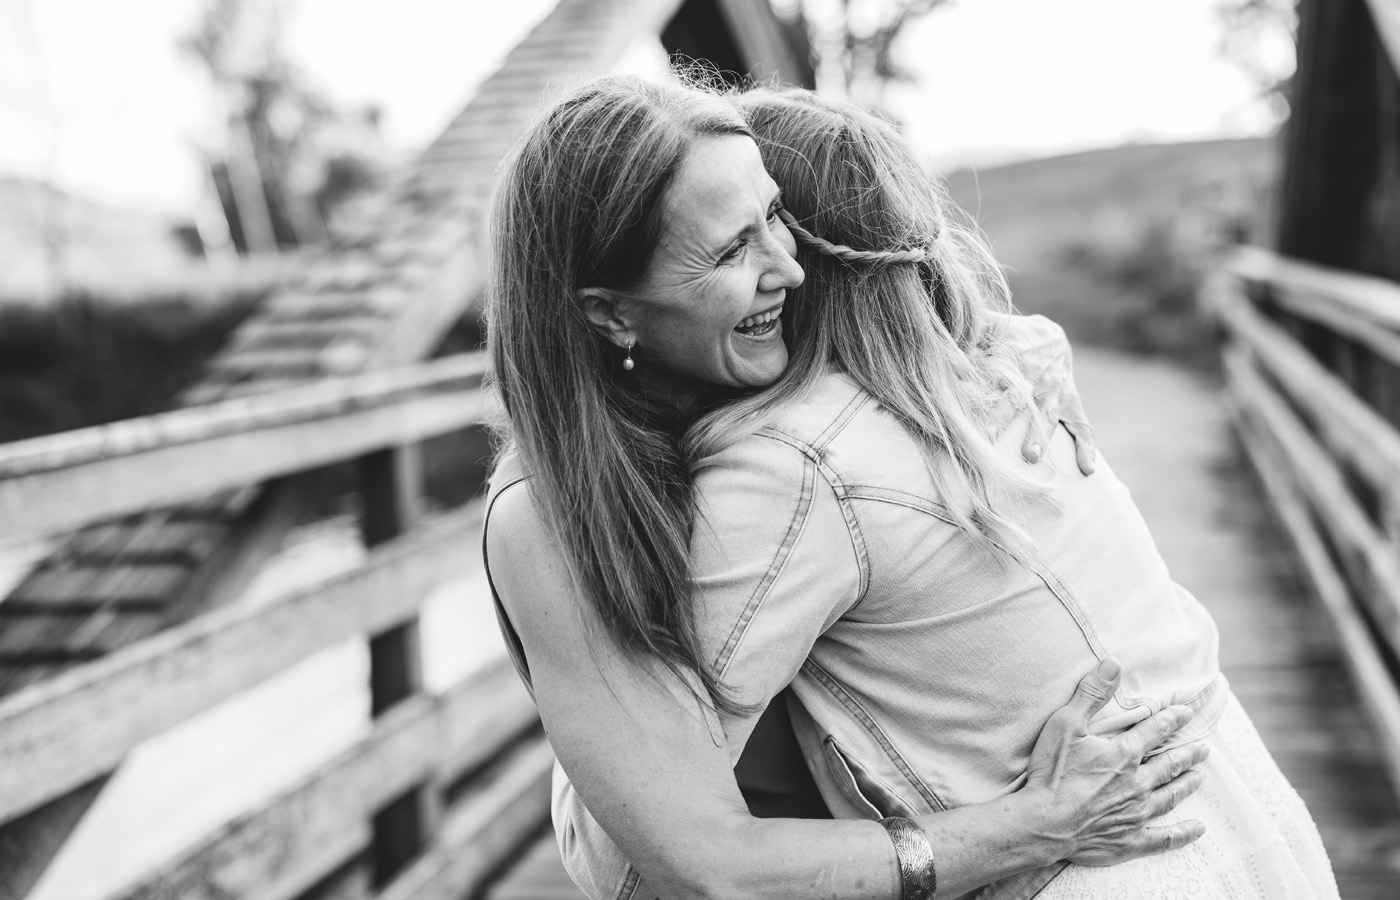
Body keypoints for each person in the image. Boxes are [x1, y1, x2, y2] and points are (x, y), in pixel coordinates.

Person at [483, 75, 1331, 899]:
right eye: (731, 248)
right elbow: (647, 863)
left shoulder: (798, 434)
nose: (794, 267)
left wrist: (997, 341)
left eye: (778, 216)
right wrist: (1029, 824)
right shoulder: (558, 521)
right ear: (610, 314)